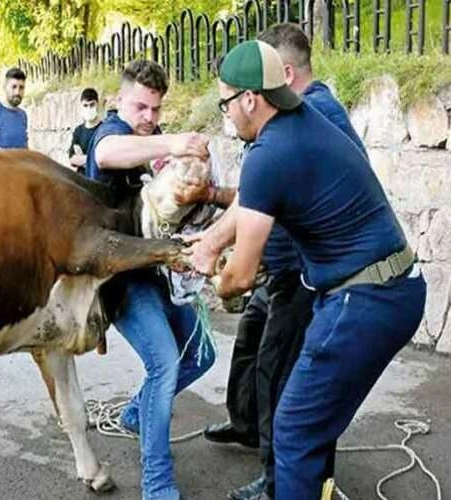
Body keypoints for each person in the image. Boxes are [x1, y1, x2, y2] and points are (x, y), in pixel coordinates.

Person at [191, 40, 425, 499]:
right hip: (390, 290)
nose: (226, 115)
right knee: (310, 428)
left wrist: (207, 276)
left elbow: (238, 280)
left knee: (294, 430)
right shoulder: (302, 119)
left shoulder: (268, 154)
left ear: (249, 100)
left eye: (225, 103)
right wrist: (211, 241)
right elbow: (252, 205)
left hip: (363, 299)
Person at [86, 59, 216, 500]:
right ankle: (157, 483)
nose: (150, 118)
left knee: (201, 357)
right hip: (123, 281)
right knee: (164, 364)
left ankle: (138, 412)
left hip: (161, 272)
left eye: (156, 110)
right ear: (118, 101)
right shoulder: (108, 135)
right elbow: (105, 154)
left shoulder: (149, 143)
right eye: (141, 107)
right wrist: (175, 141)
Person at [68, 88, 102, 175]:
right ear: (81, 106)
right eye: (85, 105)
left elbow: (103, 160)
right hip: (81, 180)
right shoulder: (78, 131)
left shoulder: (104, 129)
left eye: (92, 105)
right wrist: (92, 160)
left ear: (98, 104)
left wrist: (82, 158)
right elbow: (72, 159)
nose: (89, 108)